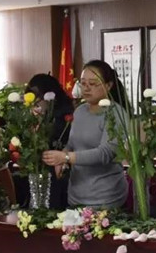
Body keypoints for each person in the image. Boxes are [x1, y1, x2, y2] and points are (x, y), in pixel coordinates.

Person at [42, 60, 127, 209]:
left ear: (108, 85)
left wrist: (66, 157)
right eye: (83, 83)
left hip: (106, 197)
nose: (86, 88)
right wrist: (62, 159)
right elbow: (72, 143)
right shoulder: (80, 111)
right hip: (76, 195)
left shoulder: (116, 113)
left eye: (92, 84)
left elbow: (105, 153)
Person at [14, 74, 74, 210]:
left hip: (58, 174)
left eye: (38, 99)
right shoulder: (39, 116)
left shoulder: (63, 118)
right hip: (39, 173)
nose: (36, 104)